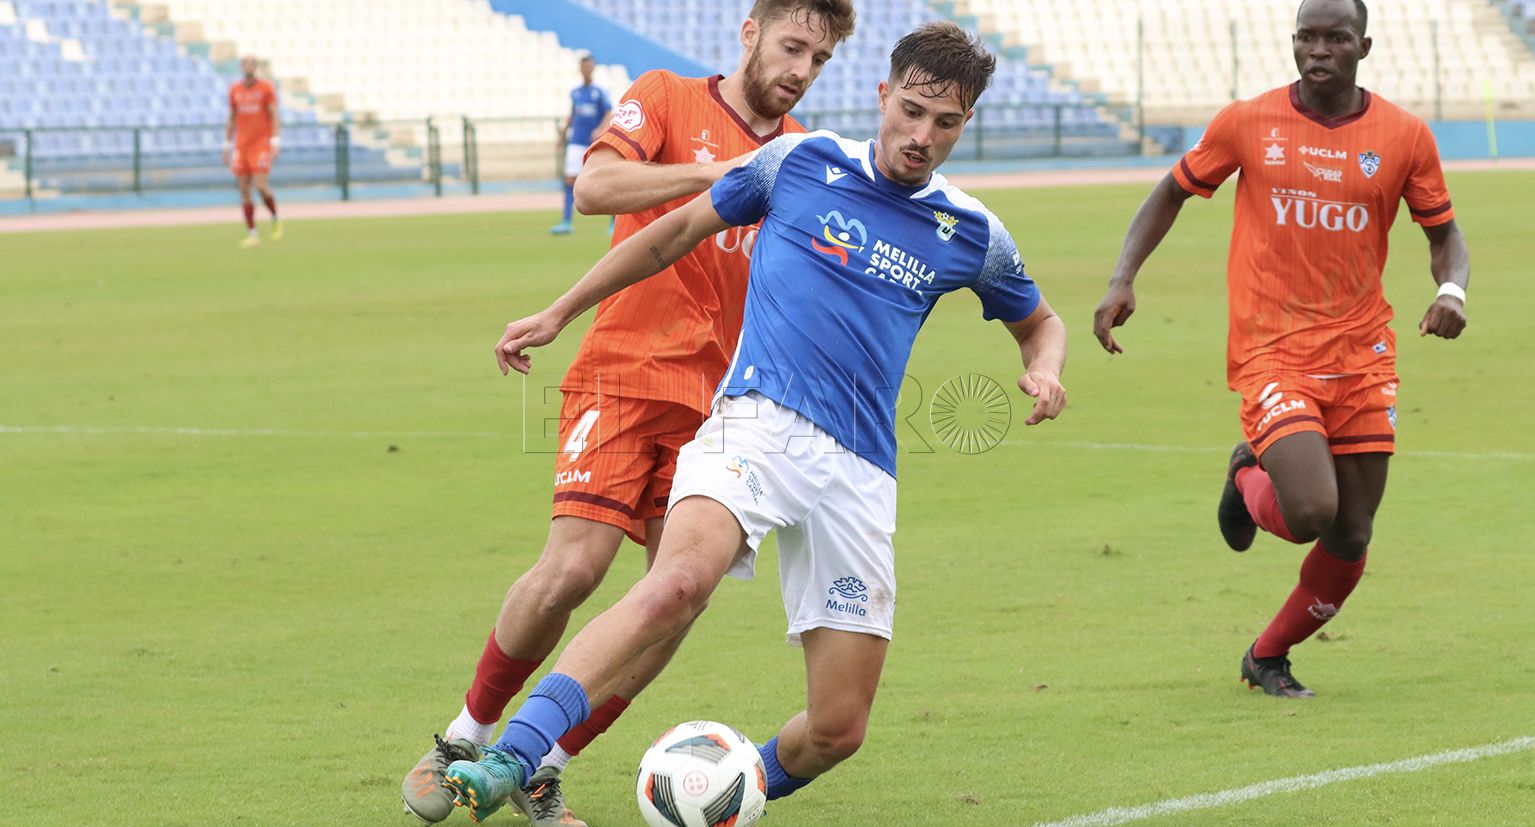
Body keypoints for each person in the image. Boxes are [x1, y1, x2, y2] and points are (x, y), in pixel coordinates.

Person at [441, 21, 1067, 823]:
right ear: (883, 96)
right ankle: (510, 757)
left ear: (964, 124)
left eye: (944, 123)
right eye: (911, 111)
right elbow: (670, 233)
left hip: (861, 471)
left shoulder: (969, 230)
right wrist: (560, 310)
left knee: (838, 729)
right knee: (674, 582)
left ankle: (729, 786)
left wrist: (1044, 366)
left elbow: (1039, 321)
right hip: (754, 424)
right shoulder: (799, 163)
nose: (921, 136)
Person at [400, 2, 855, 825]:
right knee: (574, 568)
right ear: (750, 33)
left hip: (721, 408)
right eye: (792, 46)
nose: (801, 68)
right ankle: (465, 736)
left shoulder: (807, 155)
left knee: (677, 599)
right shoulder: (669, 96)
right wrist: (724, 177)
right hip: (623, 370)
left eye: (819, 59)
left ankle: (542, 764)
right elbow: (596, 186)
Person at [1092, 0, 1469, 699]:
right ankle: (1246, 475)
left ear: (1364, 45)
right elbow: (1169, 193)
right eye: (1306, 37)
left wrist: (1451, 291)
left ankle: (1265, 655)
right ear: (1293, 42)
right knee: (1310, 513)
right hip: (1273, 349)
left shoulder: (1404, 134)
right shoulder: (1246, 121)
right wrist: (1122, 279)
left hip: (1362, 353)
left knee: (1352, 532)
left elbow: (1443, 233)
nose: (1317, 49)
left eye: (1335, 38)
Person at [550, 55, 612, 236]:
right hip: (576, 141)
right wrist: (562, 135)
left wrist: (600, 129)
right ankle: (566, 221)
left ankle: (614, 223)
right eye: (583, 67)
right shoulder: (576, 93)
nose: (586, 70)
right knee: (570, 179)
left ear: (593, 68)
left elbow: (609, 113)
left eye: (589, 66)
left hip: (594, 143)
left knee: (607, 180)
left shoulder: (600, 92)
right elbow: (572, 115)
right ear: (580, 68)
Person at [224, 56, 281, 248]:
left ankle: (274, 216)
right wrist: (226, 144)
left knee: (260, 185)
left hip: (260, 145)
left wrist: (275, 140)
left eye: (252, 64)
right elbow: (232, 117)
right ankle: (252, 233)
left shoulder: (266, 88)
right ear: (241, 67)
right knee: (243, 189)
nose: (249, 67)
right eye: (245, 64)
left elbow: (274, 113)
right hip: (241, 145)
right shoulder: (235, 90)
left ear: (256, 67)